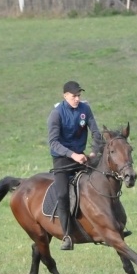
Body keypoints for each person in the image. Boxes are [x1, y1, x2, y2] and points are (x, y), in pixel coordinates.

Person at [47, 80, 103, 250]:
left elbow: (96, 133)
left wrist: (93, 152)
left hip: (83, 157)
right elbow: (53, 143)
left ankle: (111, 225)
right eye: (74, 96)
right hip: (62, 160)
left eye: (79, 95)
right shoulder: (56, 114)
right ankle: (66, 235)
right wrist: (73, 155)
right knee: (63, 194)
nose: (77, 99)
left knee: (102, 182)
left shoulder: (85, 109)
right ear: (65, 96)